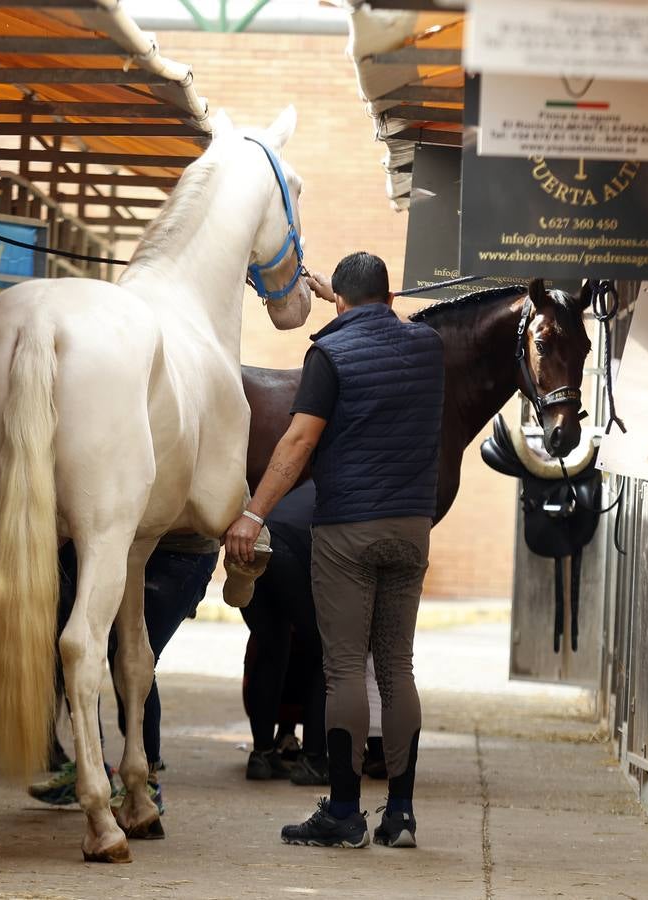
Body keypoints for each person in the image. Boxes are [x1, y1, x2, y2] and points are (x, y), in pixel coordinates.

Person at [224, 251, 444, 850]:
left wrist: (253, 513)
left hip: (349, 527)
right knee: (396, 665)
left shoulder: (328, 354)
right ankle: (400, 814)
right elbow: (381, 325)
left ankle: (345, 813)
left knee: (344, 665)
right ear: (391, 299)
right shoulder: (426, 348)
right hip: (411, 527)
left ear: (339, 303)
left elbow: (298, 441)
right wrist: (341, 301)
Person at [29, 534, 219, 824]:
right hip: (117, 545)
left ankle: (147, 779)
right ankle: (90, 763)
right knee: (74, 644)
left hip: (177, 551)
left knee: (133, 655)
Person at [240, 479, 328, 785]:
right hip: (289, 551)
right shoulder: (357, 490)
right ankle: (314, 761)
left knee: (270, 648)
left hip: (253, 545)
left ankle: (262, 755)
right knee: (327, 655)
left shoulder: (308, 485)